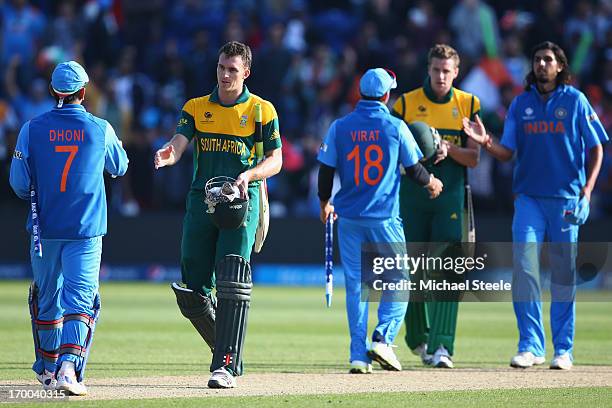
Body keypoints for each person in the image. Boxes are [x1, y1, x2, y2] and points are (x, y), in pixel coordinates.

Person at [463, 41, 608, 370]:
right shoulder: (520, 104)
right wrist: (486, 142)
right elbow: (508, 152)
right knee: (525, 269)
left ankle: (564, 350)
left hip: (566, 200)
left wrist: (586, 192)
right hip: (528, 198)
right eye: (538, 59)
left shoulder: (575, 100)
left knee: (562, 276)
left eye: (548, 60)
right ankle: (530, 345)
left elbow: (597, 148)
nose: (542, 64)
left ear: (560, 66)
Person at [153, 41, 282, 389]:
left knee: (232, 279)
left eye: (233, 70)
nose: (225, 75)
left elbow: (276, 160)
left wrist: (250, 175)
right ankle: (229, 351)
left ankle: (224, 364)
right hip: (202, 200)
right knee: (191, 290)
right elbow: (180, 140)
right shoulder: (196, 106)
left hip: (242, 200)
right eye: (222, 67)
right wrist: (170, 152)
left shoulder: (261, 110)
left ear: (246, 73)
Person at [9, 61, 129, 395]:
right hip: (86, 229)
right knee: (80, 300)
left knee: (47, 300)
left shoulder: (30, 129)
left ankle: (48, 370)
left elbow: (18, 184)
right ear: (83, 91)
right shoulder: (100, 128)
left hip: (44, 229)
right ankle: (67, 370)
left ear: (53, 91)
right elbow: (120, 166)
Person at [318, 68, 443, 374]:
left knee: (358, 287)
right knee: (399, 280)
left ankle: (358, 356)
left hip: (348, 218)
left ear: (361, 93)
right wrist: (432, 184)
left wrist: (325, 203)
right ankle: (383, 339)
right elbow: (414, 170)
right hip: (384, 219)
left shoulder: (340, 126)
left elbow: (325, 172)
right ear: (387, 96)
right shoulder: (395, 126)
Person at [391, 44, 481, 369]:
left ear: (456, 72)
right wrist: (419, 153)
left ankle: (443, 346)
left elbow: (474, 157)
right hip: (412, 196)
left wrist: (446, 148)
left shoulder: (468, 104)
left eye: (447, 71)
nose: (441, 76)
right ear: (428, 70)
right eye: (436, 70)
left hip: (451, 198)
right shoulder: (405, 103)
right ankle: (418, 337)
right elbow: (390, 152)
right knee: (412, 270)